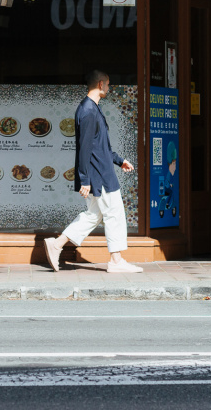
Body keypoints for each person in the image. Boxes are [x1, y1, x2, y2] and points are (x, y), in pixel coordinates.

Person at [44, 70, 142, 273]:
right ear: (100, 84)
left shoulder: (91, 108)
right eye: (108, 84)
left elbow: (99, 146)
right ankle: (116, 261)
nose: (109, 88)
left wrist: (119, 160)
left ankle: (57, 244)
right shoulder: (89, 111)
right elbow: (85, 148)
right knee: (114, 213)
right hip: (100, 175)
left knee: (93, 215)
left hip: (100, 171)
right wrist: (84, 179)